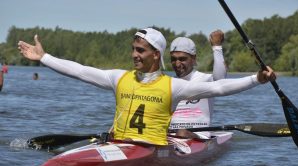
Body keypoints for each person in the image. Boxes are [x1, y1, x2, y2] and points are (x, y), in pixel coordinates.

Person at [18, 27, 276, 146]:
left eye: (140, 50)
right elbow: (80, 71)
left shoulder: (173, 87)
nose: (134, 55)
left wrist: (257, 79)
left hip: (151, 150)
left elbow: (219, 88)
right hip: (119, 144)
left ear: (156, 55)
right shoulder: (119, 78)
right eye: (133, 50)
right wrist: (44, 58)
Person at [169, 30, 226, 139]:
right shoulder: (169, 83)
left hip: (199, 136)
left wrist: (217, 47)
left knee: (182, 133)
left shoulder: (206, 80)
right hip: (170, 137)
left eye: (182, 59)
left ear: (194, 59)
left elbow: (221, 80)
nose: (177, 64)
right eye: (173, 59)